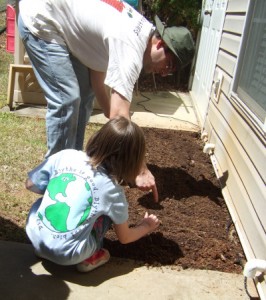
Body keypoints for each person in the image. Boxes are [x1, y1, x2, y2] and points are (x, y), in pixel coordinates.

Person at [18, 0, 195, 201]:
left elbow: (97, 80)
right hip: (42, 18)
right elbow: (121, 116)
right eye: (169, 64)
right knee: (67, 98)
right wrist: (141, 168)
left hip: (60, 25)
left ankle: (71, 170)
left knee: (84, 97)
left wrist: (111, 114)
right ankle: (49, 179)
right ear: (160, 44)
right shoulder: (131, 48)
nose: (165, 73)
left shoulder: (136, 32)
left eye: (172, 71)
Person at [25, 116, 160, 272]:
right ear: (131, 162)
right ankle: (91, 257)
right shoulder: (112, 191)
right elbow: (125, 237)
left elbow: (30, 184)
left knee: (40, 203)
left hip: (34, 238)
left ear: (97, 138)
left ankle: (44, 247)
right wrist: (146, 226)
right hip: (70, 254)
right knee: (105, 216)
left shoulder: (67, 155)